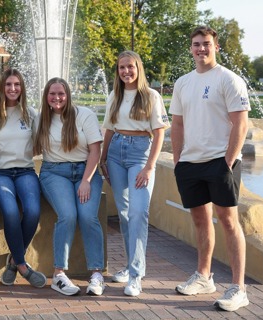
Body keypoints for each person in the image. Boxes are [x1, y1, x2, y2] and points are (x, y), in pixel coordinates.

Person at [170, 26, 251, 312]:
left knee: (228, 222)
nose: (201, 49)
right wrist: (178, 160)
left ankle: (239, 288)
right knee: (201, 221)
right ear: (190, 48)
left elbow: (241, 123)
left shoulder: (229, 79)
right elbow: (177, 124)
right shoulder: (183, 83)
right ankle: (204, 277)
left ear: (216, 46)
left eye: (206, 44)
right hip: (190, 163)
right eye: (196, 44)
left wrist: (228, 161)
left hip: (220, 161)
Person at [99, 51, 170, 297]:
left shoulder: (151, 96)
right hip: (116, 153)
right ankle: (130, 267)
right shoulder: (115, 96)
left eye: (130, 67)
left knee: (139, 212)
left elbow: (159, 133)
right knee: (125, 213)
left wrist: (150, 166)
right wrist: (103, 158)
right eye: (121, 68)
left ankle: (136, 275)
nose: (126, 71)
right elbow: (108, 129)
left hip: (140, 154)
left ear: (138, 68)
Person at [34, 77, 105, 296]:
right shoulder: (40, 120)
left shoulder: (84, 115)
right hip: (54, 172)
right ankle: (59, 274)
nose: (57, 98)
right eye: (52, 94)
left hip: (86, 171)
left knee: (88, 216)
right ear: (46, 96)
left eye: (61, 94)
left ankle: (96, 275)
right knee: (68, 215)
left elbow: (95, 150)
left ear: (68, 95)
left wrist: (85, 180)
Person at [0, 69, 46, 288]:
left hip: (25, 171)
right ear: (2, 87)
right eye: (9, 84)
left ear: (22, 88)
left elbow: (41, 144)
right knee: (10, 212)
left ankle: (12, 260)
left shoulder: (30, 114)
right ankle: (22, 265)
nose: (13, 89)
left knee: (32, 211)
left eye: (17, 85)